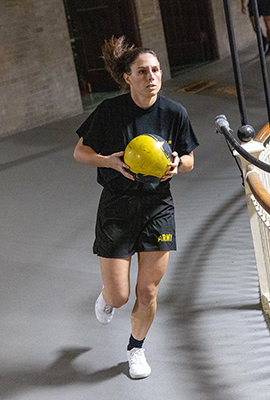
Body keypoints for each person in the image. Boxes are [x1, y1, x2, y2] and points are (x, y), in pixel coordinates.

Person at [73, 37, 199, 379]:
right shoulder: (110, 112)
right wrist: (107, 162)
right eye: (142, 71)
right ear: (127, 77)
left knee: (147, 292)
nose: (151, 77)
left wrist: (177, 165)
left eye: (156, 70)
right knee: (118, 296)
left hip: (158, 207)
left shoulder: (174, 113)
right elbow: (79, 153)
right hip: (117, 206)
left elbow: (188, 159)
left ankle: (136, 349)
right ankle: (106, 299)